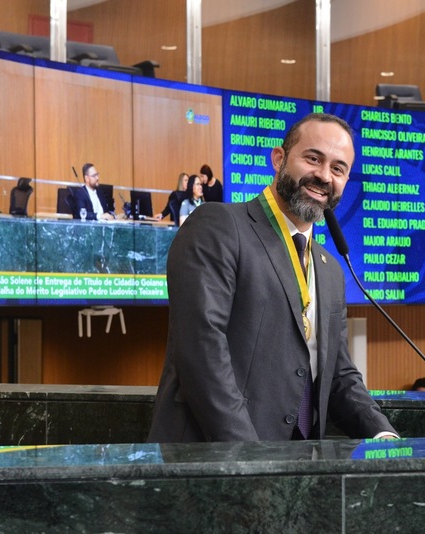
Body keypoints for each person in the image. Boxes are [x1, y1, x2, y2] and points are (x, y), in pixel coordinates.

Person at [148, 113, 398, 443]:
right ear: (279, 159)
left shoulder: (330, 270)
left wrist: (384, 435)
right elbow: (202, 353)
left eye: (338, 169)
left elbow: (338, 375)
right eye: (313, 158)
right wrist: (255, 460)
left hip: (298, 464)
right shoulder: (218, 226)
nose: (324, 176)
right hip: (213, 461)